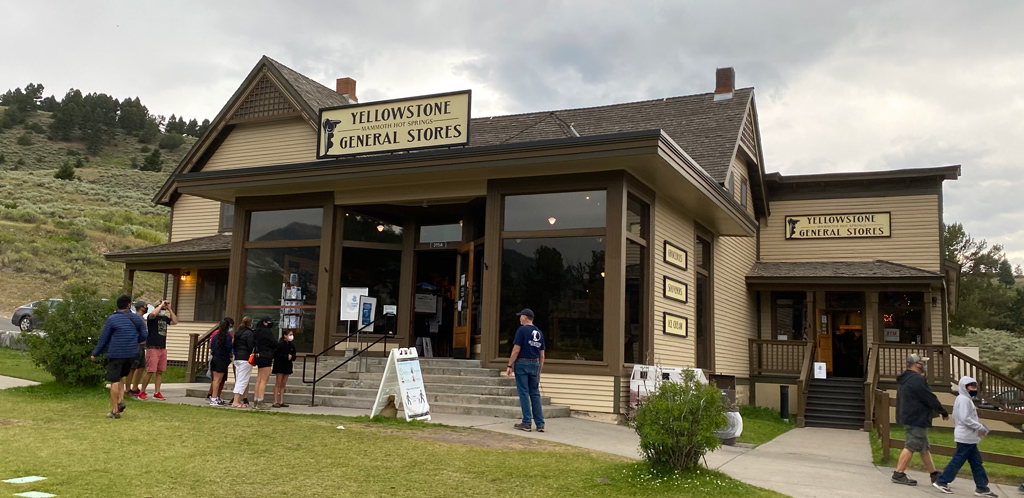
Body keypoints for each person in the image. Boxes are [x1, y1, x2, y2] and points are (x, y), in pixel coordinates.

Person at [933, 376, 997, 496]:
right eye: (972, 387)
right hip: (965, 437)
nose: (974, 389)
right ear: (965, 387)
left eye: (975, 386)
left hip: (968, 437)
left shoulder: (963, 399)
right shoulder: (964, 400)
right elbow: (965, 418)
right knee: (958, 460)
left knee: (976, 462)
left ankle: (982, 487)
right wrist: (979, 427)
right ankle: (942, 481)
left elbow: (958, 417)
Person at [892, 353, 950, 486]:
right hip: (915, 417)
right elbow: (928, 397)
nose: (924, 365)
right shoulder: (916, 379)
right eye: (922, 363)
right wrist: (943, 411)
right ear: (916, 364)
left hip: (909, 416)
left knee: (923, 447)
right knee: (911, 445)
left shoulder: (906, 379)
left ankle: (934, 474)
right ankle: (899, 474)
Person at [90, 295, 147, 418]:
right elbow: (144, 335)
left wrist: (95, 353)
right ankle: (121, 400)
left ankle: (115, 411)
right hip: (131, 353)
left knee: (114, 380)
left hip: (116, 354)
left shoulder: (112, 319)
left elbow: (103, 338)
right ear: (128, 305)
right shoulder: (137, 319)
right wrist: (133, 341)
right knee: (121, 376)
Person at [505, 308, 546, 433]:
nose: (519, 319)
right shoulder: (539, 333)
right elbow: (542, 355)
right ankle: (540, 424)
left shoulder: (522, 330)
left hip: (522, 363)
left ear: (525, 317)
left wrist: (509, 365)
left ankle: (526, 422)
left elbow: (516, 350)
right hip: (535, 363)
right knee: (535, 393)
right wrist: (539, 371)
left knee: (523, 392)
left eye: (520, 316)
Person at [140, 299, 177, 400]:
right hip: (153, 347)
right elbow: (152, 314)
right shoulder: (152, 317)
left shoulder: (164, 318)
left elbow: (175, 321)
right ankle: (142, 391)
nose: (163, 308)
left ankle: (157, 392)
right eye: (162, 306)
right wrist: (160, 305)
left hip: (162, 348)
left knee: (159, 371)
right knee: (150, 371)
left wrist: (170, 309)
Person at [125, 300, 150, 399]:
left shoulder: (143, 319)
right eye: (145, 306)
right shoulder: (135, 318)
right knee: (132, 368)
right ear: (140, 307)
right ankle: (127, 389)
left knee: (141, 366)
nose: (146, 308)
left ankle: (135, 387)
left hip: (142, 346)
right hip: (135, 345)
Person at [207, 317, 234, 406]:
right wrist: (231, 356)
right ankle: (214, 398)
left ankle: (214, 397)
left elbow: (211, 346)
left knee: (215, 379)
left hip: (214, 358)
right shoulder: (227, 336)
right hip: (222, 359)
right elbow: (228, 348)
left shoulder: (215, 335)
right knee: (218, 380)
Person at [230, 316, 256, 408]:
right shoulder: (250, 333)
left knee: (238, 379)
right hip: (245, 358)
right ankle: (236, 402)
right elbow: (250, 346)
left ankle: (236, 400)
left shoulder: (238, 333)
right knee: (243, 380)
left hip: (237, 358)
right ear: (250, 323)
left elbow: (234, 345)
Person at [252, 316, 276, 410]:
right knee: (264, 380)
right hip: (266, 355)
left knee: (259, 379)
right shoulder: (267, 332)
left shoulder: (257, 332)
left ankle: (256, 400)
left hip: (258, 355)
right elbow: (273, 343)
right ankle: (260, 402)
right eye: (270, 322)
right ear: (265, 322)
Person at [272, 329, 296, 408]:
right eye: (290, 334)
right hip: (280, 365)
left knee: (283, 384)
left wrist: (292, 357)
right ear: (285, 335)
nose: (291, 336)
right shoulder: (280, 344)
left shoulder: (291, 345)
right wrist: (285, 356)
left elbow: (294, 355)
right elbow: (276, 355)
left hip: (287, 366)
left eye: (292, 335)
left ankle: (281, 401)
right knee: (278, 383)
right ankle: (275, 401)